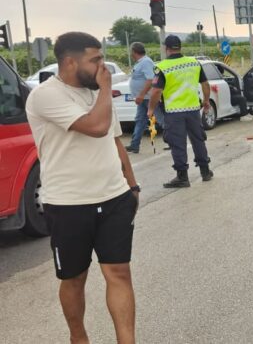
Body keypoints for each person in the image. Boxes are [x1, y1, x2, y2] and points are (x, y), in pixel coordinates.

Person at [26, 32, 141, 344]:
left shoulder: (96, 93)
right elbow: (96, 127)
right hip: (68, 204)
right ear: (70, 62)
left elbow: (113, 139)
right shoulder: (46, 96)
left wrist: (132, 186)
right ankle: (79, 338)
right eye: (95, 60)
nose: (102, 67)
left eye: (102, 58)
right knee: (74, 278)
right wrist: (105, 90)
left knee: (119, 273)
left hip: (114, 198)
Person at [148, 35, 212, 188]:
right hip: (193, 110)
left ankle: (182, 177)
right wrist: (206, 100)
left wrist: (150, 109)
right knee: (198, 140)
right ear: (180, 47)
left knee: (177, 143)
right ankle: (205, 172)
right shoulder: (194, 63)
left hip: (174, 112)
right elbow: (205, 84)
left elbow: (156, 92)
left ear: (166, 48)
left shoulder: (162, 67)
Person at [125, 43, 162, 153]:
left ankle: (173, 141)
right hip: (143, 98)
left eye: (131, 51)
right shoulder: (140, 63)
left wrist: (141, 94)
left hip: (148, 97)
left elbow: (150, 79)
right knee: (140, 121)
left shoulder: (146, 62)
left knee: (161, 119)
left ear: (134, 52)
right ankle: (134, 145)